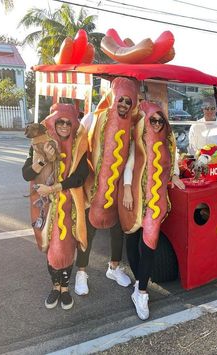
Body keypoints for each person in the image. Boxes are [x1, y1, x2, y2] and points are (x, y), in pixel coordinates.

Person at [119, 101, 184, 320]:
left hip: (156, 201)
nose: (156, 124)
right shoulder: (138, 138)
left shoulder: (168, 141)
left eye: (160, 120)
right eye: (153, 120)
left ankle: (142, 292)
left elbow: (173, 161)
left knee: (149, 242)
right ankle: (139, 282)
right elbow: (129, 164)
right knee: (132, 236)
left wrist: (174, 175)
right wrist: (127, 190)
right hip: (135, 196)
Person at [75, 77, 139, 296]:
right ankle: (81, 271)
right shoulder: (92, 119)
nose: (123, 105)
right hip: (92, 187)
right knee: (88, 230)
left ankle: (113, 267)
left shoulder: (131, 128)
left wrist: (127, 186)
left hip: (117, 188)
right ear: (113, 97)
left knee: (116, 231)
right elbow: (77, 149)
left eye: (128, 102)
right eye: (121, 100)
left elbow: (130, 158)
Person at [22, 103, 89, 309]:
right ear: (53, 122)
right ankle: (55, 286)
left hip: (70, 204)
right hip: (46, 206)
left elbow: (80, 176)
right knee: (50, 245)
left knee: (67, 246)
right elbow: (26, 174)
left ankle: (65, 288)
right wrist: (45, 160)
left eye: (69, 122)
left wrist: (56, 188)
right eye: (60, 121)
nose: (64, 126)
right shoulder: (40, 144)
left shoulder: (80, 145)